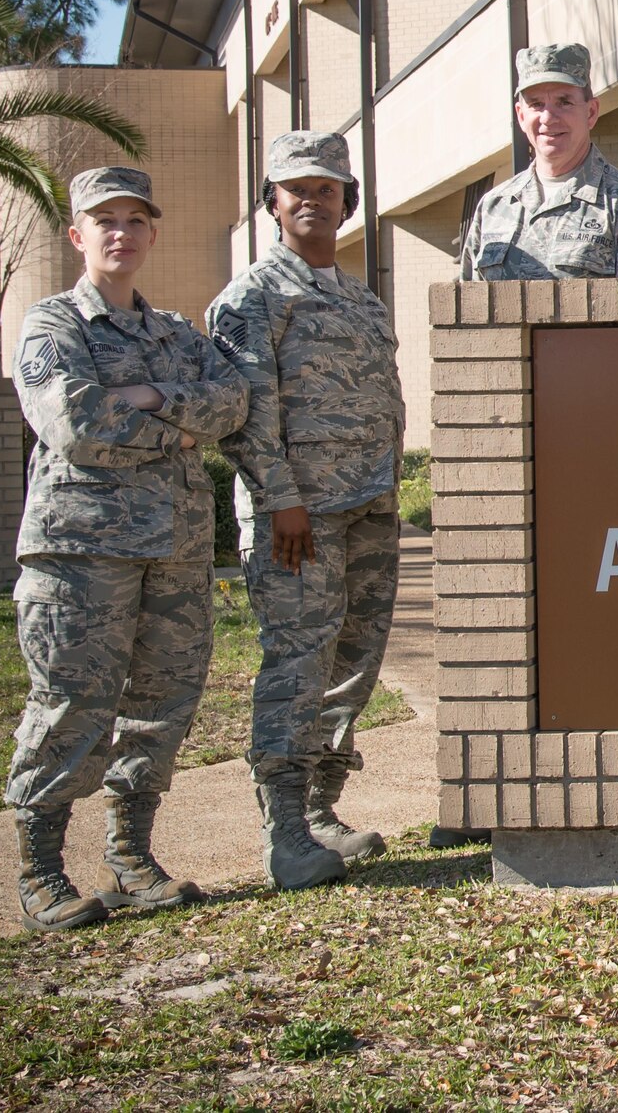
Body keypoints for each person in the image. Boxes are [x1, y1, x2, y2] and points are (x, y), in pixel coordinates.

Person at [5, 167, 249, 931]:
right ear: (77, 235)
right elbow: (73, 425)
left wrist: (147, 400)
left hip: (174, 551)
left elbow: (232, 400)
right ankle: (42, 870)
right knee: (71, 705)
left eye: (135, 219)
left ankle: (131, 858)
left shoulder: (176, 333)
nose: (121, 232)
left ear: (151, 232)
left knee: (160, 706)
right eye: (104, 219)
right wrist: (179, 424)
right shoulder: (53, 327)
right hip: (80, 554)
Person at [207, 132, 405, 891]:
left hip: (369, 508)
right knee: (297, 666)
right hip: (300, 520)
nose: (312, 200)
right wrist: (280, 498)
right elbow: (245, 413)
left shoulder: (359, 298)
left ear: (347, 202)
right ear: (273, 204)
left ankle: (323, 809)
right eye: (297, 189)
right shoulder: (253, 297)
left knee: (353, 662)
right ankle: (284, 831)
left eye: (327, 188)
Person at [458, 41, 618, 279]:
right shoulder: (493, 206)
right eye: (536, 104)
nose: (548, 118)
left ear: (590, 112)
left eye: (564, 102)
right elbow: (468, 306)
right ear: (521, 115)